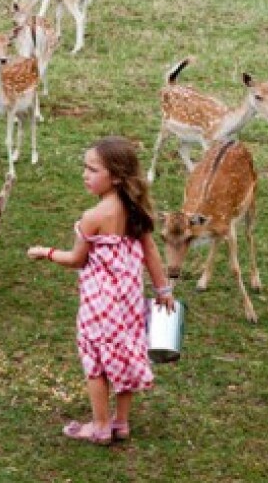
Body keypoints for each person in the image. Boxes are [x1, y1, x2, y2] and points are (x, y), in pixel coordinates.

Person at [27, 135, 176, 445]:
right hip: (129, 304)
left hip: (99, 307)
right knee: (124, 354)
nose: (85, 174)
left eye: (93, 170)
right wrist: (163, 290)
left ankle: (99, 426)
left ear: (117, 177)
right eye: (85, 168)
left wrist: (47, 252)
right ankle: (121, 423)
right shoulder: (135, 212)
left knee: (96, 363)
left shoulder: (92, 218)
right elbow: (152, 253)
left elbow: (77, 259)